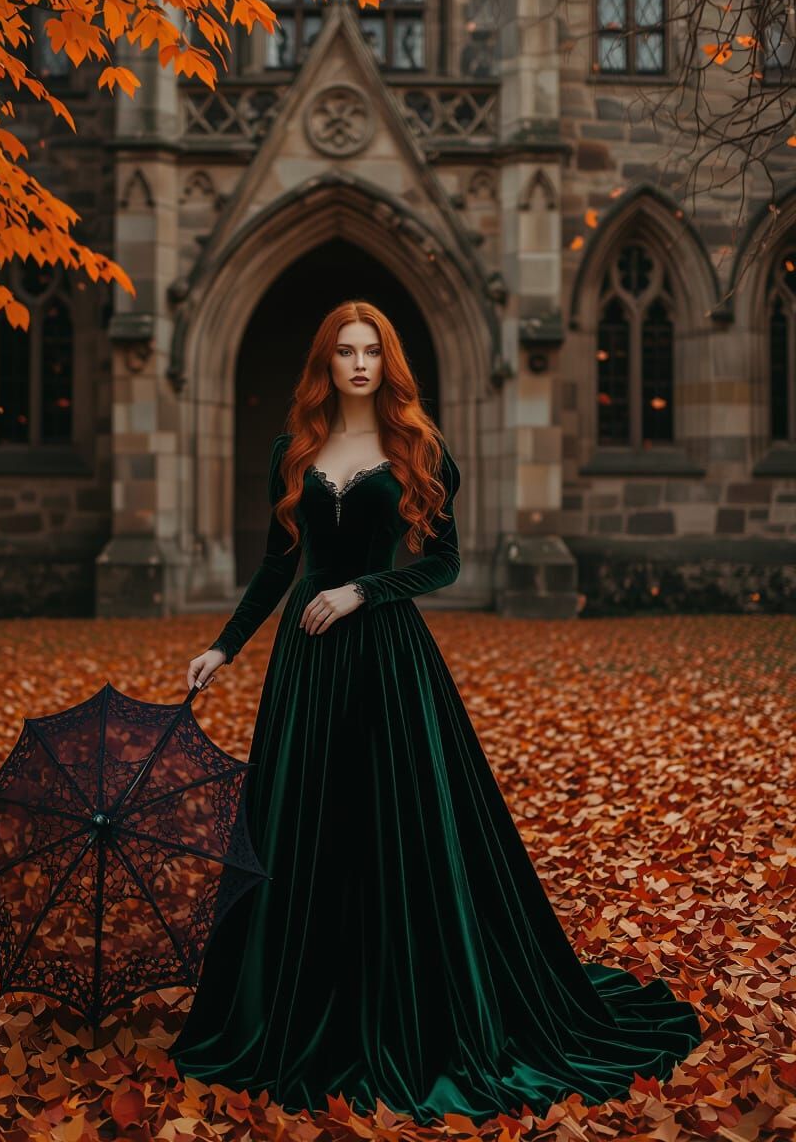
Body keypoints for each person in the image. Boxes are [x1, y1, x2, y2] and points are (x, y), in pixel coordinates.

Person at [170, 300, 702, 1125]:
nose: (357, 364)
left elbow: (443, 564)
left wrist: (363, 591)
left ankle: (412, 1012)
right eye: (344, 351)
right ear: (325, 362)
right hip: (305, 675)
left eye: (370, 351)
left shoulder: (420, 449)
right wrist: (225, 647)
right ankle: (296, 1012)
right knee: (304, 833)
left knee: (395, 830)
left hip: (388, 665)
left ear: (388, 363)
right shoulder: (293, 452)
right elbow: (277, 570)